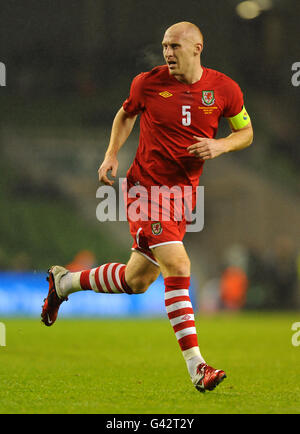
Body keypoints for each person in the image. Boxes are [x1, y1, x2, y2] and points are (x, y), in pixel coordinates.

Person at [41, 21, 253, 392]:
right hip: (147, 189)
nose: (168, 53)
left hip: (183, 196)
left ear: (197, 48)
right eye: (164, 46)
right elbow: (125, 114)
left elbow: (246, 132)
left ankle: (65, 282)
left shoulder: (225, 89)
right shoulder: (148, 83)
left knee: (137, 280)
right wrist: (111, 155)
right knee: (180, 264)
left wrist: (220, 145)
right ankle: (197, 367)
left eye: (175, 46)